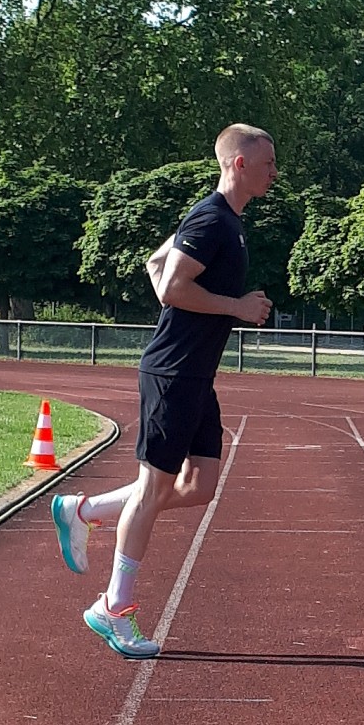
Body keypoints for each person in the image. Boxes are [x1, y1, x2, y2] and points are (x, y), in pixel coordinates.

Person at [52, 124, 276, 657]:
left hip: (196, 374)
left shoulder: (229, 224)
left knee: (199, 485)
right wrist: (237, 307)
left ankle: (82, 511)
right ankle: (113, 608)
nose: (275, 173)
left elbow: (158, 266)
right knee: (152, 491)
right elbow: (173, 288)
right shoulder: (210, 219)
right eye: (268, 163)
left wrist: (226, 304)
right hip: (174, 372)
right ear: (238, 164)